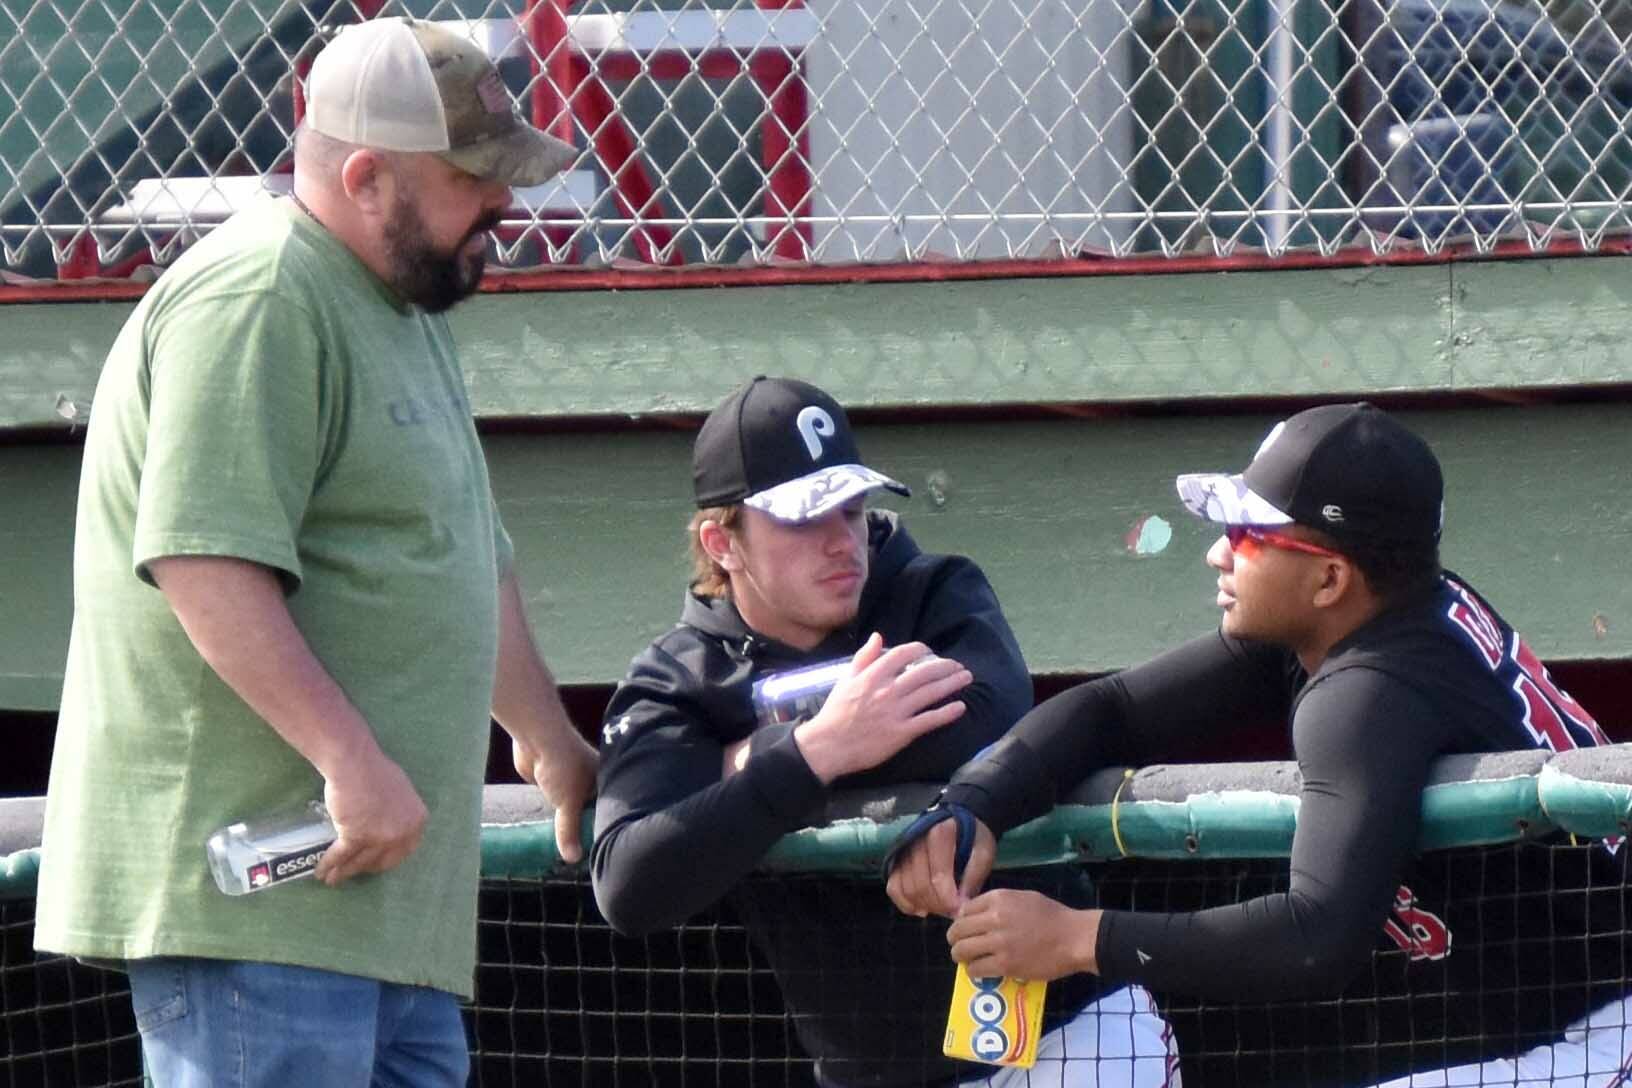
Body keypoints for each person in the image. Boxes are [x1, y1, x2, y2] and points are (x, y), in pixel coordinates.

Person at [33, 17, 598, 1087]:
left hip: (379, 919)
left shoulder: (402, 303)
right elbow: (204, 563)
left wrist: (548, 741)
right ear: (366, 175)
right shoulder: (258, 296)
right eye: (473, 177)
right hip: (263, 909)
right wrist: (349, 760)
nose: (504, 204)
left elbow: (468, 553)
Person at [886, 403, 1632, 1086]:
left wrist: (1079, 936)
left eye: (1250, 534)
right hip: (1567, 1016)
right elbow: (1110, 708)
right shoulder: (1366, 613)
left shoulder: (1369, 691)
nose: (1219, 553)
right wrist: (975, 804)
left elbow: (1315, 936)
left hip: (1607, 1025)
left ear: (1330, 576)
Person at [591, 375, 1181, 1087]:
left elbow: (983, 720)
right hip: (873, 1069)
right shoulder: (678, 676)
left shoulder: (931, 590)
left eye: (850, 508)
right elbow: (629, 883)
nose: (843, 541)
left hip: (1065, 1038)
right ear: (723, 542)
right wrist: (815, 749)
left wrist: (742, 765)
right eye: (806, 520)